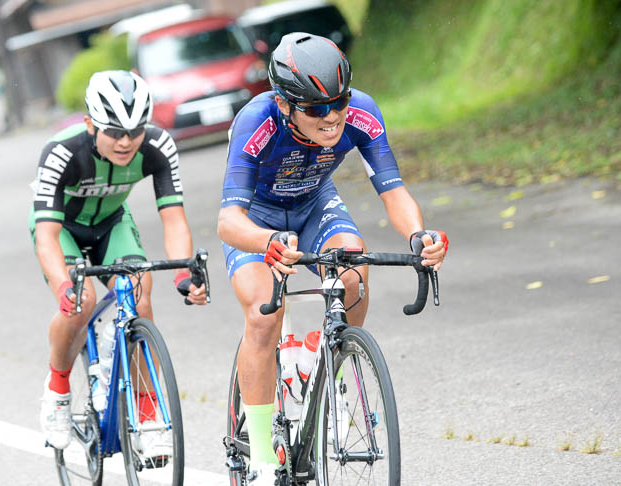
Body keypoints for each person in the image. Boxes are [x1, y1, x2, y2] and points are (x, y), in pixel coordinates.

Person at [217, 33, 448, 484]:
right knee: (264, 314)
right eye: (316, 109)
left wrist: (419, 236)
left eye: (338, 102)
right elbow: (228, 221)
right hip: (258, 220)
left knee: (354, 268)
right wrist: (264, 242)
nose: (333, 116)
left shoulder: (361, 110)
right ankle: (263, 454)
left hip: (314, 202)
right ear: (285, 105)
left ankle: (339, 368)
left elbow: (392, 189)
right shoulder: (255, 121)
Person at [29, 70, 207, 456]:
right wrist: (64, 286)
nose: (126, 142)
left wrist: (182, 272)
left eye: (135, 130)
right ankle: (58, 389)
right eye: (114, 131)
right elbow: (45, 235)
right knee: (82, 301)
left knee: (140, 294)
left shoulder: (159, 146)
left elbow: (174, 218)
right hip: (63, 231)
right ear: (90, 123)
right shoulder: (62, 152)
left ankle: (146, 410)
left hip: (111, 224)